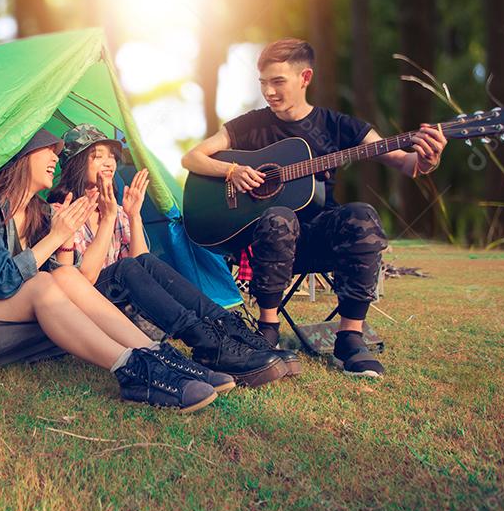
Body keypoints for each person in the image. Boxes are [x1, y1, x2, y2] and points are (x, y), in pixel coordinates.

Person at [182, 38, 448, 377]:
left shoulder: (338, 126)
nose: (269, 92)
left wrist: (428, 160)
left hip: (319, 241)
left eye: (278, 82)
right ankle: (267, 330)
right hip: (266, 247)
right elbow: (192, 157)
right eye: (263, 83)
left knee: (362, 215)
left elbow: (406, 163)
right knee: (279, 217)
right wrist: (232, 170)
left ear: (305, 77)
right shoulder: (251, 125)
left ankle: (350, 337)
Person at [0, 128, 231, 413]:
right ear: (19, 155)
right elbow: (4, 281)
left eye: (57, 154)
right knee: (42, 283)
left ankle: (158, 355)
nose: (55, 160)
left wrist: (66, 241)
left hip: (23, 302)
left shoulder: (40, 211)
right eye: (48, 150)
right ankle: (130, 368)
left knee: (59, 275)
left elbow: (67, 278)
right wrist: (56, 237)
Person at [48, 124, 292, 388]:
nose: (108, 162)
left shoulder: (116, 211)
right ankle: (207, 344)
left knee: (144, 262)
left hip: (120, 299)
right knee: (125, 268)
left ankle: (234, 332)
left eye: (111, 156)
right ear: (75, 163)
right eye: (97, 156)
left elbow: (142, 264)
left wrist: (133, 215)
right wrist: (107, 221)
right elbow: (82, 280)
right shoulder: (61, 210)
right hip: (87, 301)